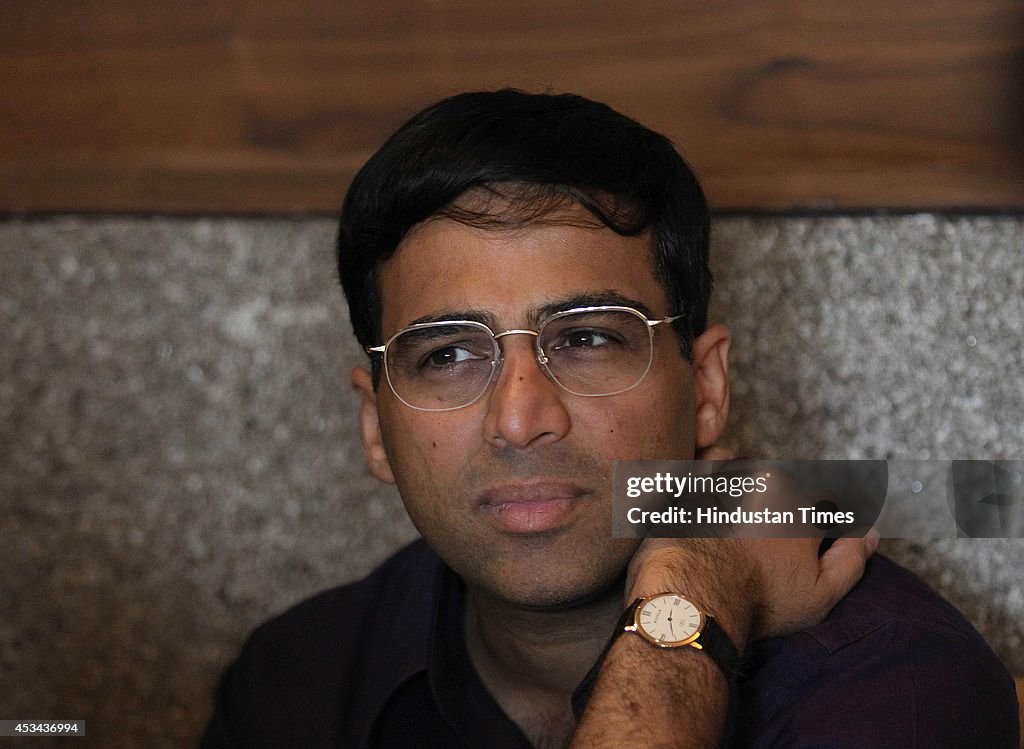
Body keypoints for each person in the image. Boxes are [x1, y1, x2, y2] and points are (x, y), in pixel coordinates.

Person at [200, 90, 1019, 748]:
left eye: (587, 338)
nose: (519, 419)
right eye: (446, 354)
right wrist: (695, 602)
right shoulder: (293, 680)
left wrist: (688, 594)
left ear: (704, 389)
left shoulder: (893, 683)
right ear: (375, 427)